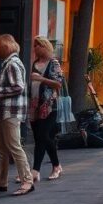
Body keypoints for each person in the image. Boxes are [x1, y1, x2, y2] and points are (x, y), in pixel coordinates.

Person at [0, 34, 33, 196]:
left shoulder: (12, 64)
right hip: (5, 112)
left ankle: (27, 180)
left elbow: (19, 87)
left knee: (14, 146)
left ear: (5, 47)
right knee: (2, 148)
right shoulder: (9, 63)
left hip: (10, 112)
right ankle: (1, 181)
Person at [28, 36, 64, 182]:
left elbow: (58, 84)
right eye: (34, 45)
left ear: (44, 46)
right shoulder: (35, 63)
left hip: (49, 105)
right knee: (39, 137)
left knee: (43, 135)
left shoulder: (53, 63)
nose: (35, 48)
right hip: (35, 104)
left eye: (37, 45)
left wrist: (41, 79)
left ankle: (35, 170)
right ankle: (56, 165)